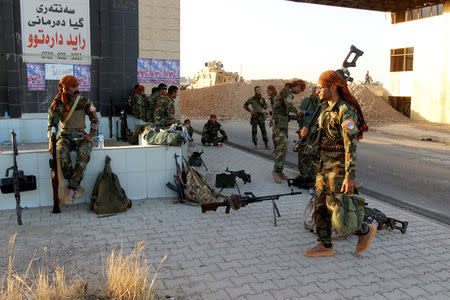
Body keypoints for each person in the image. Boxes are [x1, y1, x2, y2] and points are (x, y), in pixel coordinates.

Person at [304, 70, 375, 257]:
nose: (317, 91)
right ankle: (325, 244)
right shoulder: (326, 108)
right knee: (319, 204)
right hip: (323, 165)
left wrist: (349, 176)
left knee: (337, 207)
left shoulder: (345, 111)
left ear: (333, 88)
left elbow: (350, 146)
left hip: (338, 168)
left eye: (321, 87)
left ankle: (364, 230)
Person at [47, 75, 99, 203]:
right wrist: (51, 142)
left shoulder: (84, 102)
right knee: (62, 154)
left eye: (77, 85)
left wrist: (91, 134)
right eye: (73, 86)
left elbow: (95, 119)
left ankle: (70, 188)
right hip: (65, 136)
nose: (76, 88)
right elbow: (51, 126)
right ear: (65, 88)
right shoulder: (57, 105)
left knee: (83, 153)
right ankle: (75, 186)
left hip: (82, 136)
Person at [272, 80, 305, 183]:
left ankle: (280, 171)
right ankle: (276, 171)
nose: (299, 92)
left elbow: (284, 110)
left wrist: (295, 116)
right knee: (282, 147)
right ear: (296, 86)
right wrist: (301, 111)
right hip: (279, 123)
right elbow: (289, 106)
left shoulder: (287, 92)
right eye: (300, 89)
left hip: (282, 123)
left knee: (284, 148)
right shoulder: (287, 91)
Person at [296, 86, 321, 186]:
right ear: (313, 92)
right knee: (303, 151)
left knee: (313, 152)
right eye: (317, 92)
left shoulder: (319, 102)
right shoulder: (307, 101)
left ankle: (311, 172)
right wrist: (302, 128)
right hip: (306, 130)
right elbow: (299, 112)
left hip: (315, 131)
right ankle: (302, 173)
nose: (319, 93)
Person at [244, 86, 271, 150]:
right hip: (255, 117)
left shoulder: (263, 99)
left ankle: (266, 145)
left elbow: (265, 107)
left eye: (259, 90)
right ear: (255, 91)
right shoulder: (252, 99)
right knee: (254, 132)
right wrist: (250, 111)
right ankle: (255, 144)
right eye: (257, 90)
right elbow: (245, 105)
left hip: (261, 117)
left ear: (260, 91)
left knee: (264, 131)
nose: (258, 91)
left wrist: (262, 103)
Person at [267, 85, 278, 157]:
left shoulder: (274, 98)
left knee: (275, 136)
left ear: (272, 91)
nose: (267, 92)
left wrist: (272, 120)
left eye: (268, 91)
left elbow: (275, 110)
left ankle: (277, 152)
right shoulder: (275, 97)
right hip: (278, 119)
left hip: (277, 119)